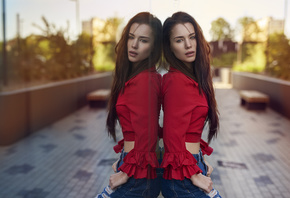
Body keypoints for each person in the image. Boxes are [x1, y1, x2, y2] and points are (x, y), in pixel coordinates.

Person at [95, 12, 162, 198]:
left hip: (138, 173)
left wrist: (127, 170)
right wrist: (125, 158)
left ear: (153, 47)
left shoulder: (144, 81)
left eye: (143, 40)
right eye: (131, 37)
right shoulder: (137, 78)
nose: (134, 45)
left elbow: (148, 134)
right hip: (136, 165)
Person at [161, 12, 222, 198]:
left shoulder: (192, 79)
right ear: (170, 47)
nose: (188, 45)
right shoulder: (177, 81)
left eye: (192, 37)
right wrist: (194, 173)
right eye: (179, 40)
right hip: (183, 175)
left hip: (189, 166)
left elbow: (187, 130)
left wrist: (199, 161)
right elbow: (171, 134)